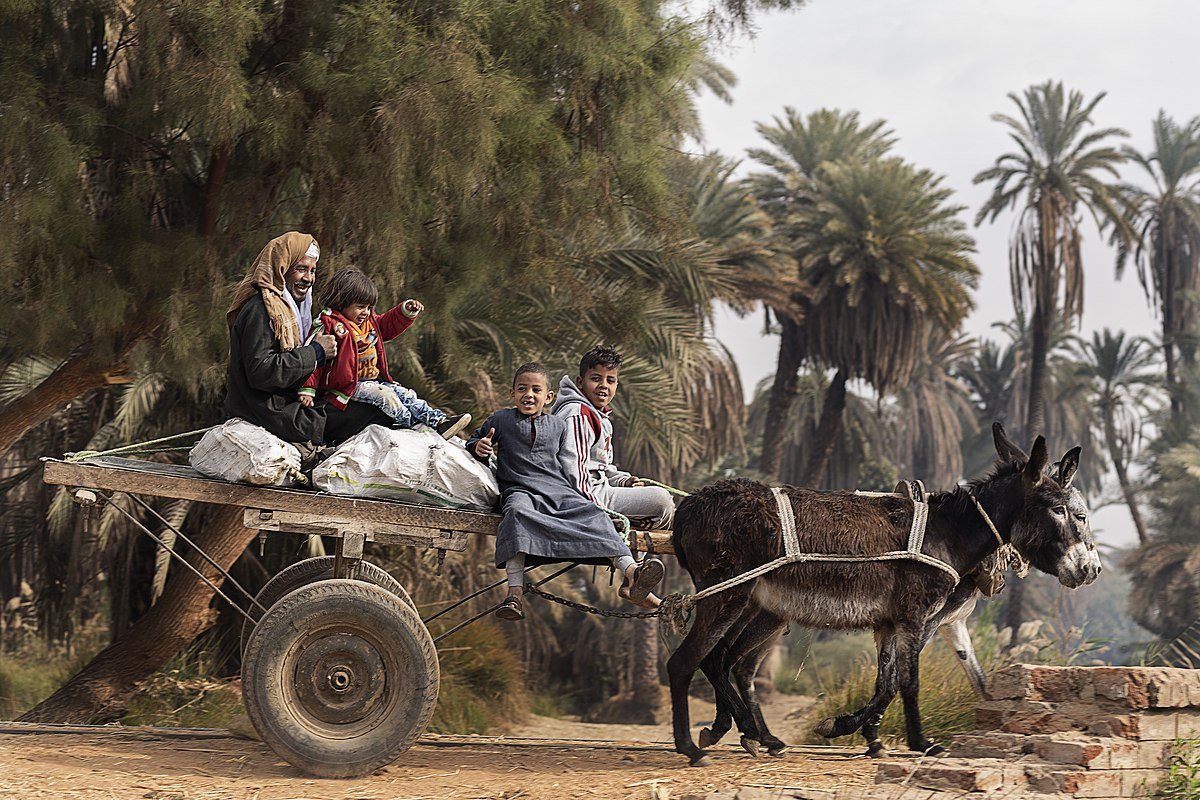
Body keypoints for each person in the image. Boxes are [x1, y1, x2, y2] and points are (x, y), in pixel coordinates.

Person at [466, 363, 665, 621]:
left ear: (548, 397)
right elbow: (475, 441)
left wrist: (620, 481)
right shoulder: (500, 419)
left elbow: (570, 463)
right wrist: (479, 446)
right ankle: (514, 594)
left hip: (558, 490)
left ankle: (631, 572)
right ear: (511, 393)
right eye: (522, 389)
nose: (529, 395)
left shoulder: (558, 426)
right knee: (515, 514)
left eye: (536, 390)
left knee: (595, 515)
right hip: (519, 489)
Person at [225, 231, 391, 446]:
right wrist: (316, 352)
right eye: (301, 269)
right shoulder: (261, 311)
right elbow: (261, 372)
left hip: (290, 405)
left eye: (312, 271)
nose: (308, 278)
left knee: (377, 402)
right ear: (282, 269)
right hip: (270, 411)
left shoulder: (295, 312)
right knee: (373, 412)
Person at [298, 268, 471, 439]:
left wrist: (405, 311)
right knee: (386, 397)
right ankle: (412, 426)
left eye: (369, 307)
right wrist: (308, 389)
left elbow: (386, 326)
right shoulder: (328, 324)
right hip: (350, 385)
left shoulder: (368, 322)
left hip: (374, 380)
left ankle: (439, 421)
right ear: (341, 302)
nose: (365, 312)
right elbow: (315, 359)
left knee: (405, 394)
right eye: (360, 307)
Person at [552, 345, 675, 530]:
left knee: (654, 498)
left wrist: (624, 481)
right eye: (596, 378)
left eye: (610, 380)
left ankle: (630, 544)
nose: (603, 385)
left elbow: (602, 467)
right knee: (663, 501)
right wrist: (598, 511)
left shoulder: (600, 418)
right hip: (582, 498)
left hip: (600, 490)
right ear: (580, 382)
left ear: (616, 385)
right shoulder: (577, 414)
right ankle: (626, 543)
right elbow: (573, 472)